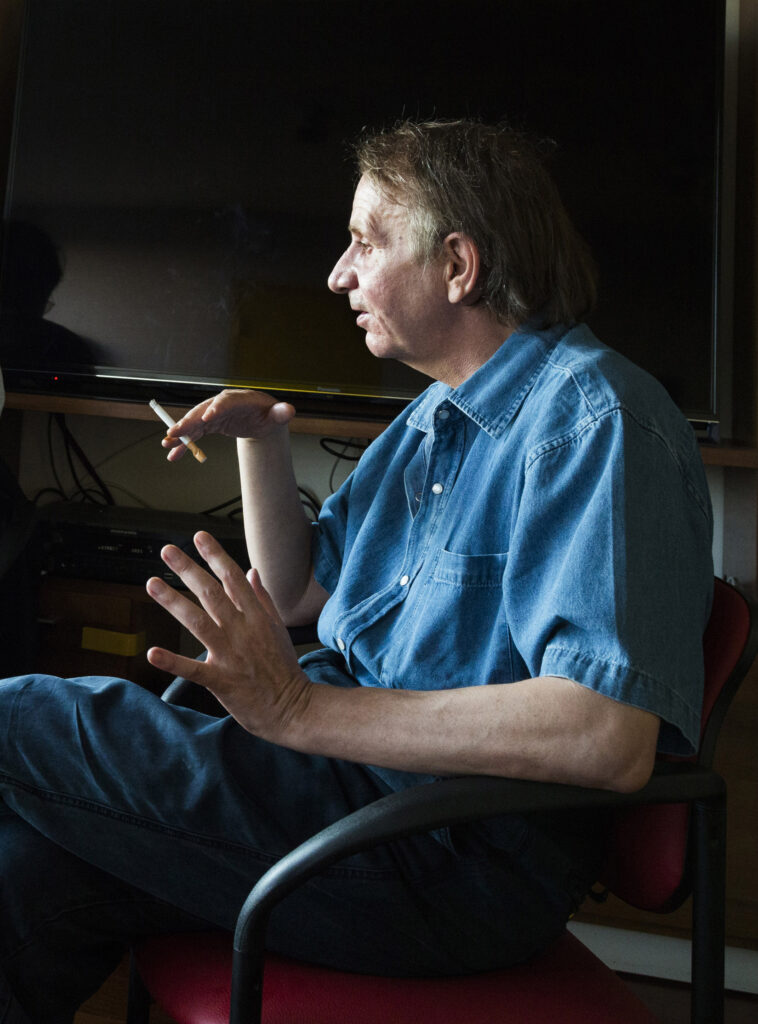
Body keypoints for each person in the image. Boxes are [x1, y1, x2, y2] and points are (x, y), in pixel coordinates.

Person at [0, 119, 713, 1021]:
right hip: (341, 796)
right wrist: (263, 443)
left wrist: (300, 710)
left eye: (365, 243)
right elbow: (300, 593)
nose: (339, 274)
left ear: (458, 265)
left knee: (22, 714)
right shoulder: (432, 419)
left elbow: (606, 737)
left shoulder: (594, 419)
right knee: (30, 868)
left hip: (447, 856)